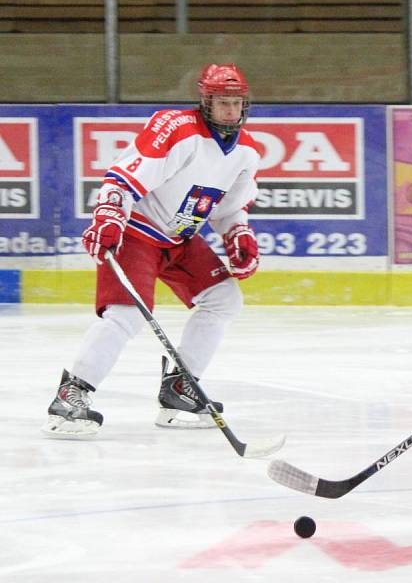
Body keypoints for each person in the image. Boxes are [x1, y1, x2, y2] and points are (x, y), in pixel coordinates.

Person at [42, 63, 263, 438]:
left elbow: (228, 208)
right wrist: (109, 213)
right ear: (206, 102)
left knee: (224, 299)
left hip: (179, 239)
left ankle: (179, 389)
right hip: (138, 233)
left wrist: (238, 233)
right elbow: (124, 175)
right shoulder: (177, 128)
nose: (231, 110)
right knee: (126, 315)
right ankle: (71, 394)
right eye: (222, 102)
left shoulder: (247, 151)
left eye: (237, 103)